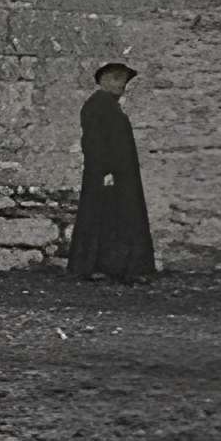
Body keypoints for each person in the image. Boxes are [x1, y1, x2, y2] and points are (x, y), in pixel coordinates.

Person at [68, 62, 157, 283]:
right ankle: (95, 266)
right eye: (117, 79)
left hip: (120, 174)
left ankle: (116, 266)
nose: (122, 86)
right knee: (104, 217)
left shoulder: (110, 106)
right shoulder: (97, 106)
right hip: (107, 174)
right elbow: (94, 142)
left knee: (116, 217)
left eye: (124, 81)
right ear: (104, 81)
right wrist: (105, 171)